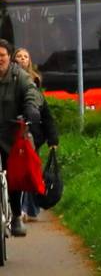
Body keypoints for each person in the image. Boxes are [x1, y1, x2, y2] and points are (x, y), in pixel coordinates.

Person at [0, 40, 44, 237]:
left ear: (9, 57)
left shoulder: (20, 76)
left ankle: (16, 216)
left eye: (2, 55)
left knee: (13, 176)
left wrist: (31, 108)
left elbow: (32, 92)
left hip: (11, 135)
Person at [14, 47, 59, 222]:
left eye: (25, 56)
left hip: (32, 136)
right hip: (13, 133)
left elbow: (46, 115)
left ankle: (28, 209)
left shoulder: (34, 84)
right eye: (19, 56)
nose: (22, 59)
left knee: (30, 172)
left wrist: (52, 138)